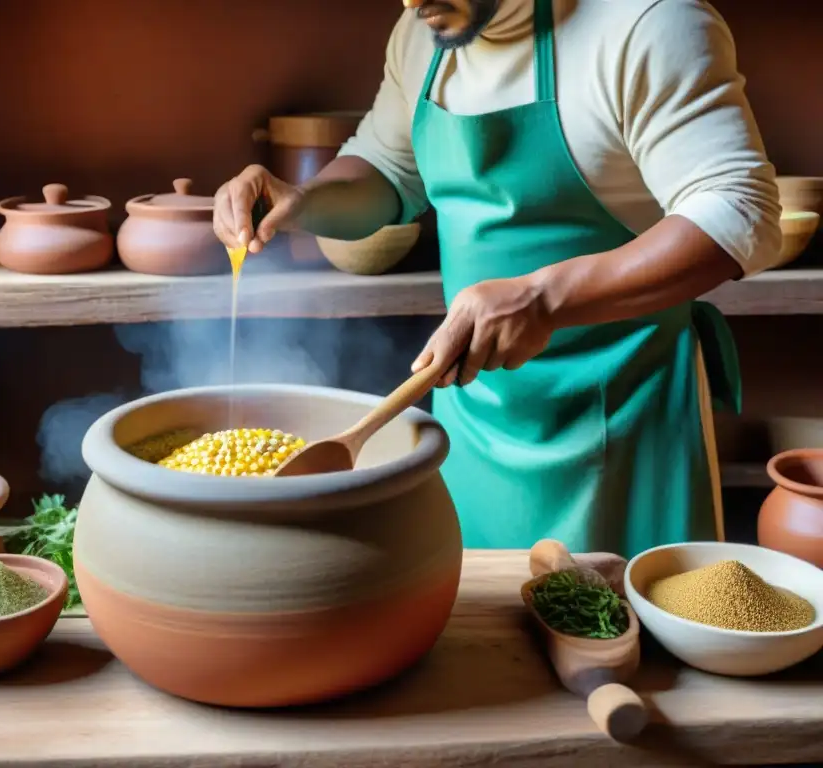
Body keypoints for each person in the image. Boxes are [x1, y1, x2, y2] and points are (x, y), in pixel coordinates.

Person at [212, 0, 783, 558]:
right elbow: (389, 171)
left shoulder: (647, 23)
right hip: (472, 419)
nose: (413, 1)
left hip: (622, 423)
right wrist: (303, 201)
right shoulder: (423, 32)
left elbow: (740, 212)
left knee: (615, 638)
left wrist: (543, 300)